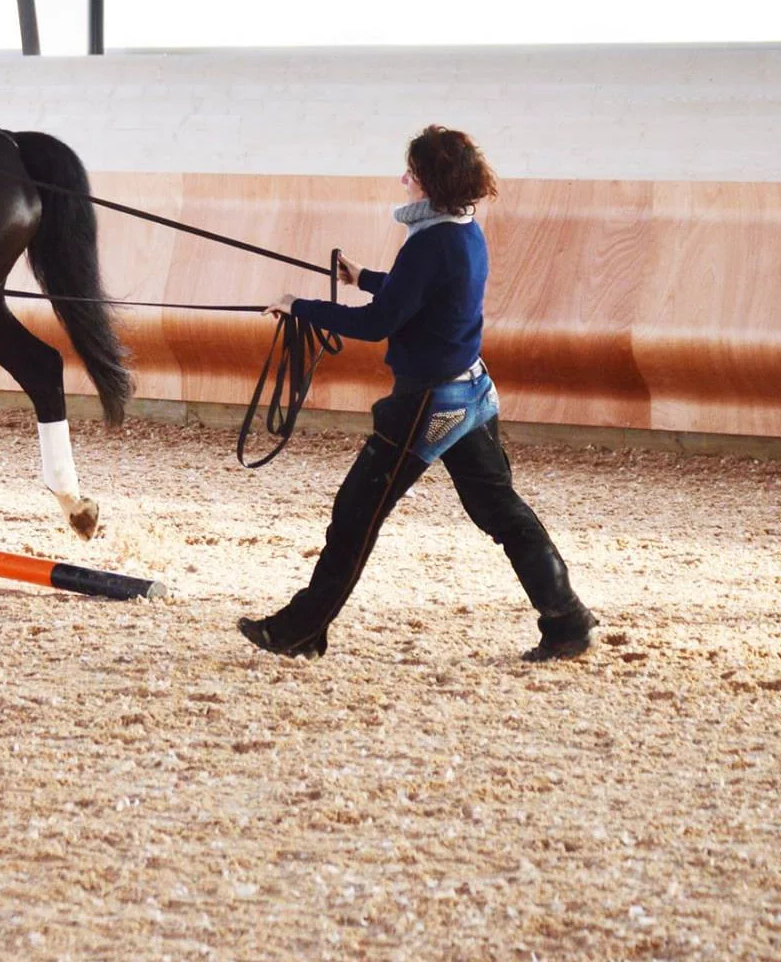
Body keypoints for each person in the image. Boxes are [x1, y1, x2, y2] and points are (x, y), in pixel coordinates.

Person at [238, 125, 596, 661]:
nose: (404, 179)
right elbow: (421, 293)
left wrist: (299, 306)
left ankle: (299, 630)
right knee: (502, 512)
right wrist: (364, 277)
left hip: (428, 403)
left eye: (412, 171)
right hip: (472, 393)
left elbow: (380, 323)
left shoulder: (430, 242)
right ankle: (567, 620)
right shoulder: (463, 228)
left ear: (428, 180)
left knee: (356, 514)